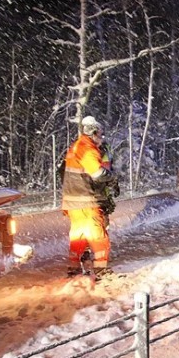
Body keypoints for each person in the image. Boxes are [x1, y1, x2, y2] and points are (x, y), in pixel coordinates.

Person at [62, 115, 117, 277]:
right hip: (86, 201)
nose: (101, 138)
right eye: (100, 134)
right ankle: (101, 270)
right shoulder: (87, 148)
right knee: (98, 237)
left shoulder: (75, 146)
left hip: (73, 202)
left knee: (78, 236)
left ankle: (74, 268)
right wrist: (112, 178)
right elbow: (97, 173)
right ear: (92, 133)